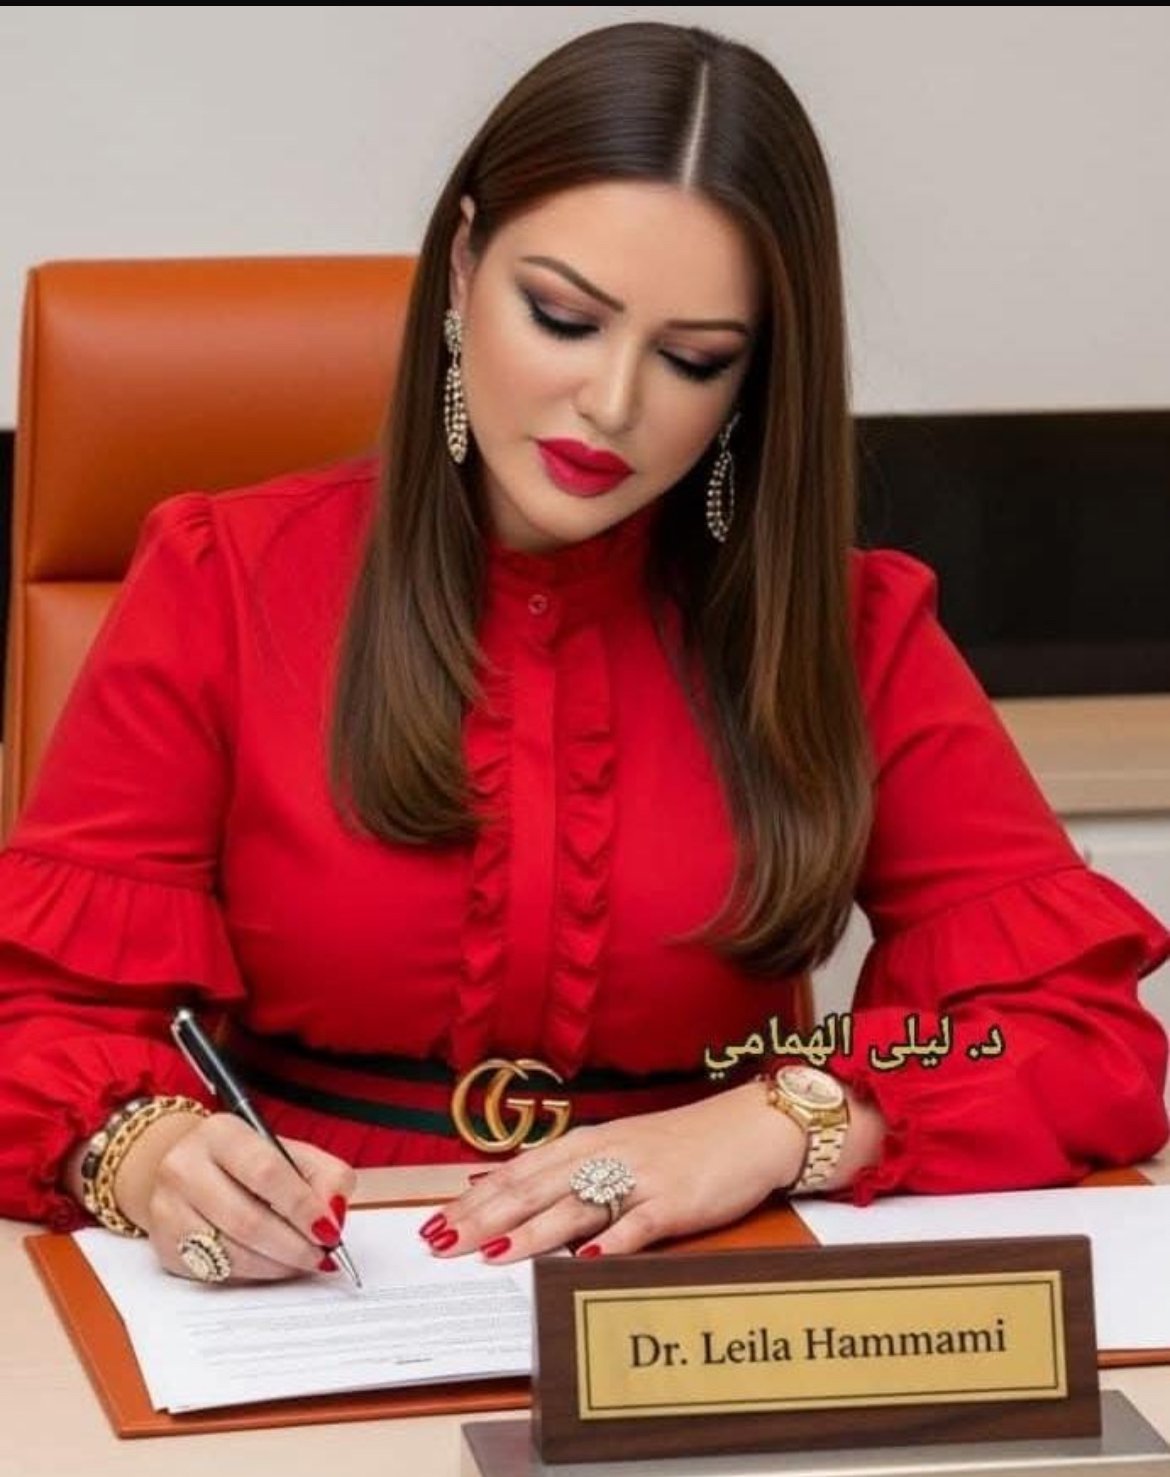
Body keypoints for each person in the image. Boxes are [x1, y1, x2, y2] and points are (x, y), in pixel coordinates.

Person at [0, 20, 1166, 1287]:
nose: (612, 404)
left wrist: (778, 1125)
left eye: (692, 358)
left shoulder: (849, 627)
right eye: (562, 317)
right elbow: (32, 1024)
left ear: (755, 379)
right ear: (462, 268)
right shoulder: (220, 578)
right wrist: (146, 1151)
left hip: (699, 1289)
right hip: (309, 1283)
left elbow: (1077, 1038)